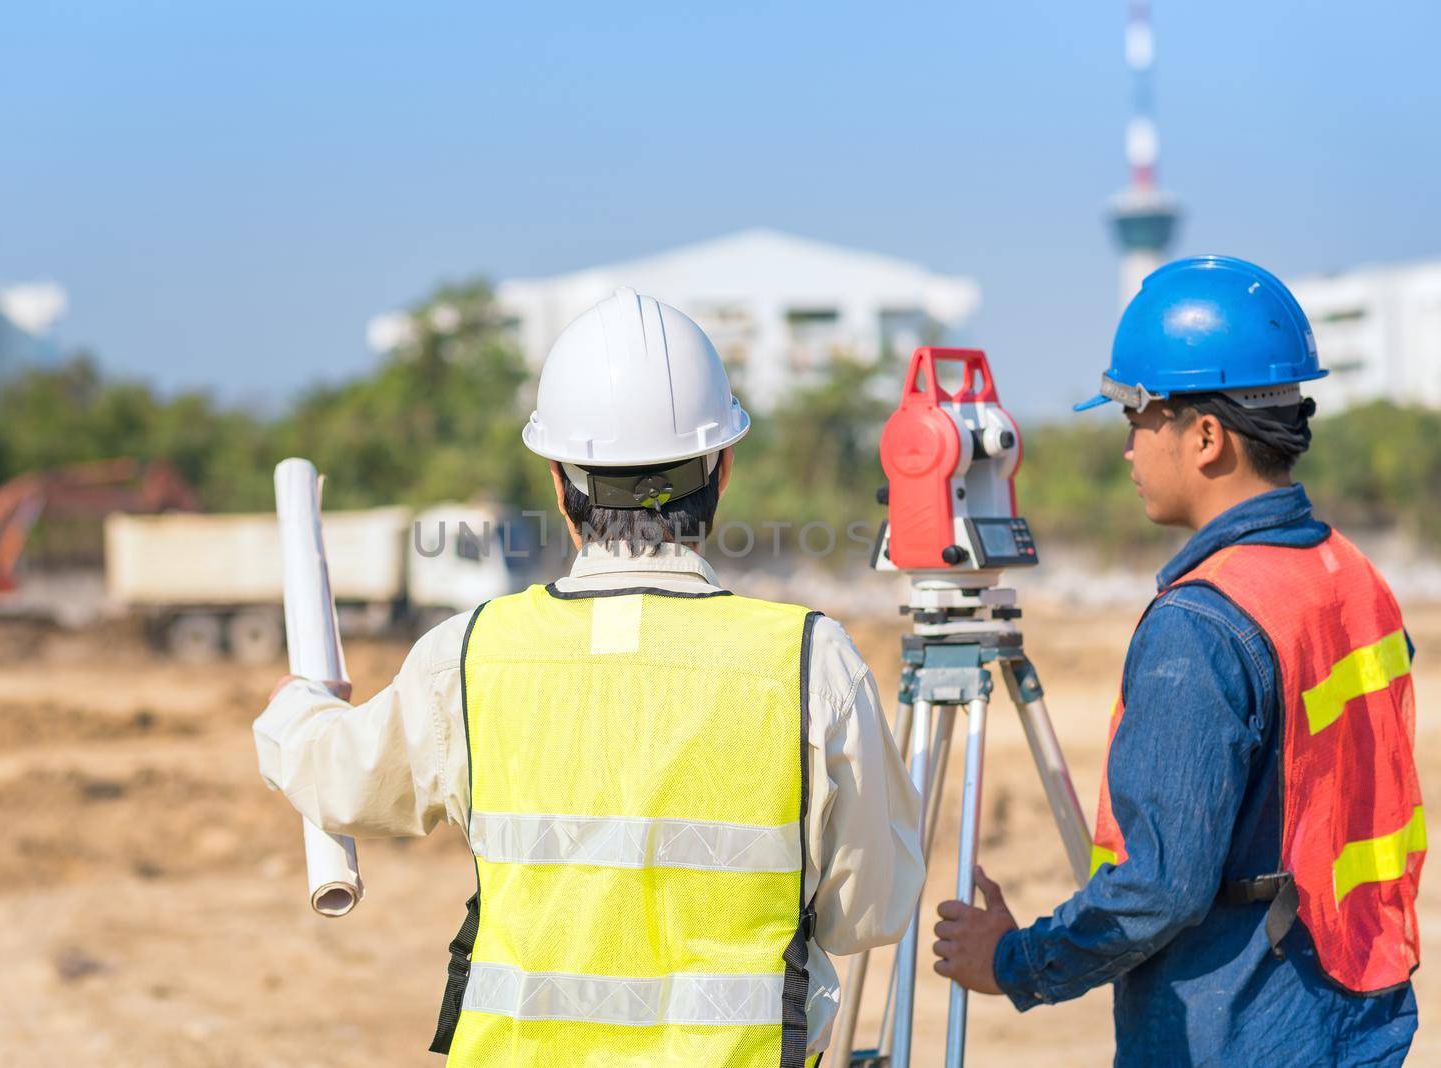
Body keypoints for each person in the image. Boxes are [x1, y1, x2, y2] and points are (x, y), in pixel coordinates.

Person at [254, 287, 924, 1066]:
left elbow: (340, 780)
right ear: (723, 467)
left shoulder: (470, 655)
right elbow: (868, 912)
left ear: (558, 481)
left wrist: (294, 710)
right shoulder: (811, 664)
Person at [930, 256, 1423, 1065]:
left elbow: (1161, 887)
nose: (1127, 451)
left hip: (1236, 1029)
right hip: (1356, 1005)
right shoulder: (1350, 574)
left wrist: (1014, 963)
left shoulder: (1204, 623)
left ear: (1204, 436)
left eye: (1135, 418)